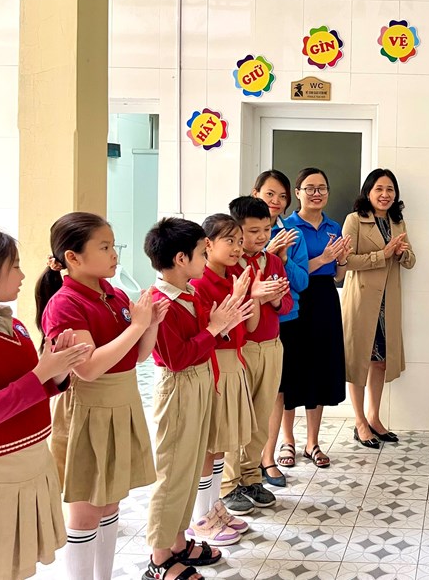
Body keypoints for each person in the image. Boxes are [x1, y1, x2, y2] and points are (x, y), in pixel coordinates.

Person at [37, 212, 163, 580]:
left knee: (110, 503)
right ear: (72, 257)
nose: (114, 254)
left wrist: (150, 325)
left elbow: (135, 357)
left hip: (121, 402)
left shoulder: (114, 293)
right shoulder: (65, 303)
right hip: (89, 407)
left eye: (113, 245)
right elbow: (89, 368)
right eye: (104, 247)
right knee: (86, 510)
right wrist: (137, 325)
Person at [143, 218, 254, 580]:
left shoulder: (187, 293)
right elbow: (177, 358)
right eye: (201, 253)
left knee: (190, 470)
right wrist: (214, 328)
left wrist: (225, 318)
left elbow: (206, 338)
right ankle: (159, 558)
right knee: (172, 474)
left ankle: (177, 542)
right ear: (180, 259)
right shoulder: (160, 301)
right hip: (179, 387)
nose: (206, 258)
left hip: (200, 380)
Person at [0, 227, 90, 580]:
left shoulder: (14, 325)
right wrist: (42, 372)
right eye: (14, 267)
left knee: (17, 564)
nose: (23, 275)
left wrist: (57, 370)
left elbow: (29, 387)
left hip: (30, 459)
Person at [189, 214, 282, 520]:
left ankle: (237, 488)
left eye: (239, 241)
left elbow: (250, 325)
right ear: (208, 244)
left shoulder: (236, 277)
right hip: (216, 363)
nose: (237, 248)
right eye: (231, 240)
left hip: (237, 359)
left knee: (242, 425)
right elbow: (211, 334)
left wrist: (251, 296)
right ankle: (219, 499)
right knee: (219, 436)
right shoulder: (200, 282)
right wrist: (245, 296)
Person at [279, 167, 350, 468]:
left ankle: (312, 442)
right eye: (309, 188)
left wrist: (341, 260)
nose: (316, 193)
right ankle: (287, 441)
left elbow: (338, 275)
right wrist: (323, 258)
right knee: (291, 369)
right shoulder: (287, 228)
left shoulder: (334, 227)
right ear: (297, 193)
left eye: (322, 188)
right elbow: (287, 272)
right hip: (295, 298)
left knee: (319, 368)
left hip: (324, 299)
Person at [340, 169, 416, 448]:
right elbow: (345, 260)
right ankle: (360, 421)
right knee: (358, 360)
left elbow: (411, 261)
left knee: (381, 361)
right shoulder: (354, 220)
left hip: (388, 301)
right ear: (368, 192)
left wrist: (402, 253)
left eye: (390, 190)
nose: (385, 195)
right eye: (379, 189)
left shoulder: (398, 221)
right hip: (362, 301)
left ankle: (374, 417)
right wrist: (381, 255)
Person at [224, 196, 292, 498]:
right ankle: (229, 482)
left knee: (262, 415)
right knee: (237, 417)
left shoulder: (273, 261)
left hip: (272, 346)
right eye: (253, 231)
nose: (262, 236)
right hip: (242, 349)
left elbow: (287, 304)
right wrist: (254, 295)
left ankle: (252, 475)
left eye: (266, 229)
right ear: (236, 230)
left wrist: (274, 300)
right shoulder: (228, 266)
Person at [251, 170, 310, 474]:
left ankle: (267, 457)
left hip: (286, 319)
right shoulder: (240, 232)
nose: (276, 201)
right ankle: (243, 466)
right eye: (270, 194)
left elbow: (302, 282)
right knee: (247, 392)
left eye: (282, 196)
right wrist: (266, 253)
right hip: (248, 323)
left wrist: (283, 259)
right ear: (255, 194)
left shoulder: (293, 233)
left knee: (277, 390)